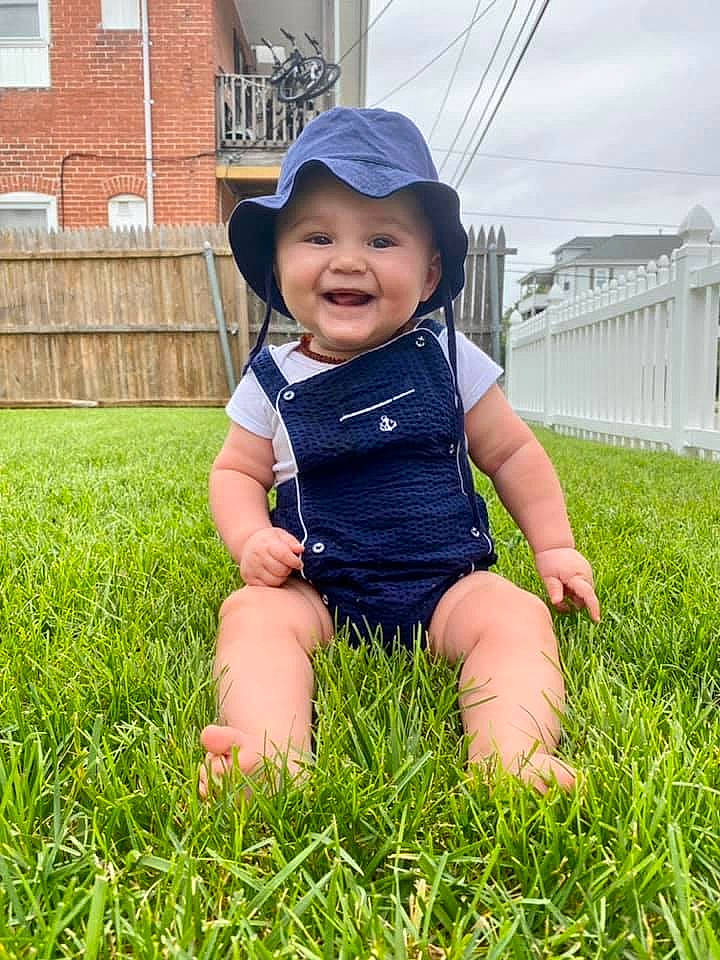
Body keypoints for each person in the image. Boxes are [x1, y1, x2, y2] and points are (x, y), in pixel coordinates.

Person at [199, 107, 600, 798]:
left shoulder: (450, 358)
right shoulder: (273, 379)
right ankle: (269, 758)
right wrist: (251, 536)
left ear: (431, 267)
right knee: (252, 616)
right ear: (277, 260)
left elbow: (511, 454)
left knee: (514, 617)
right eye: (318, 235)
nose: (349, 259)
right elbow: (236, 470)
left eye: (383, 240)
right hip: (318, 591)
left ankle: (512, 754)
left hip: (447, 586)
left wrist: (555, 547)